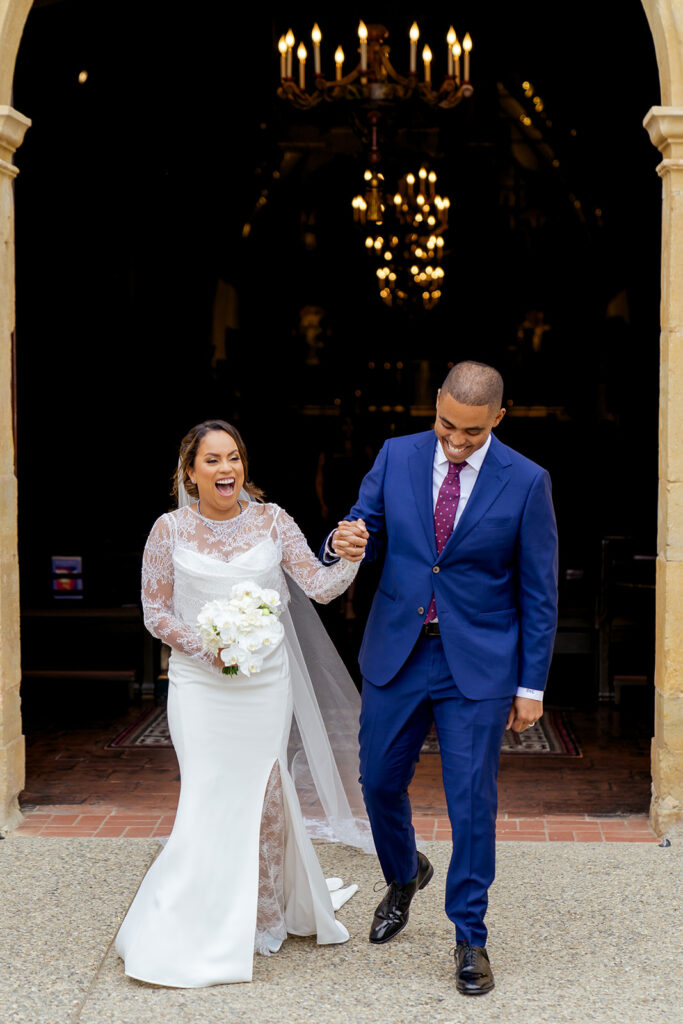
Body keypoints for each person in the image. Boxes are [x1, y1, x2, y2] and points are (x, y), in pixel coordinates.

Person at [325, 361, 558, 996]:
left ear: (498, 420)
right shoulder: (396, 455)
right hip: (397, 652)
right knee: (377, 781)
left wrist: (530, 687)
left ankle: (470, 938)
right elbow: (360, 527)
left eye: (472, 435)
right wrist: (345, 540)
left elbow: (539, 592)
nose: (455, 443)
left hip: (479, 665)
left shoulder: (528, 482)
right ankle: (404, 875)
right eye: (446, 426)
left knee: (471, 805)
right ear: (435, 404)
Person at [115, 419, 371, 988]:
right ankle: (191, 917)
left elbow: (320, 587)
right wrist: (208, 645)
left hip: (264, 684)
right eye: (212, 461)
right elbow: (155, 612)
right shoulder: (168, 530)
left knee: (264, 794)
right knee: (207, 791)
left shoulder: (273, 520)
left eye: (233, 458)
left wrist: (349, 557)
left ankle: (262, 915)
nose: (226, 469)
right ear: (189, 472)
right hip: (199, 684)